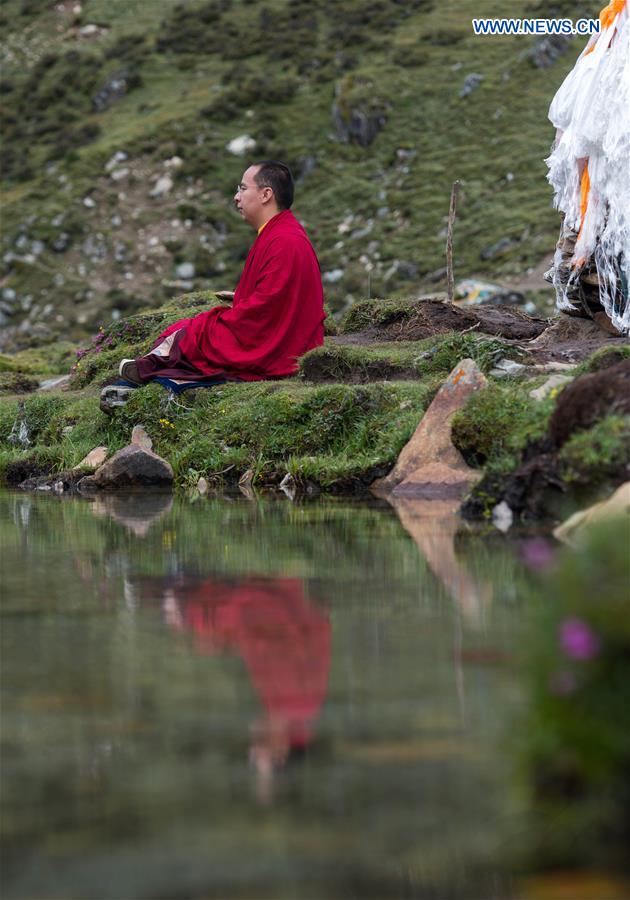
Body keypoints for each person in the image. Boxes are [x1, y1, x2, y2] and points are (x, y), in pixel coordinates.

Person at [104, 161, 325, 406]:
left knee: (193, 332)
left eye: (242, 189)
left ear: (266, 195)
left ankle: (147, 367)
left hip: (274, 344)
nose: (236, 197)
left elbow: (267, 307)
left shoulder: (285, 240)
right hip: (276, 331)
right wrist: (240, 298)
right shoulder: (278, 233)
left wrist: (235, 311)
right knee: (195, 327)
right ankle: (148, 366)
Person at [544, 0, 629, 335]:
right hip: (606, 162)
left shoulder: (608, 31)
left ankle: (590, 298)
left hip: (605, 161)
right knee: (598, 221)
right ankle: (592, 300)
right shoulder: (611, 36)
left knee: (595, 222)